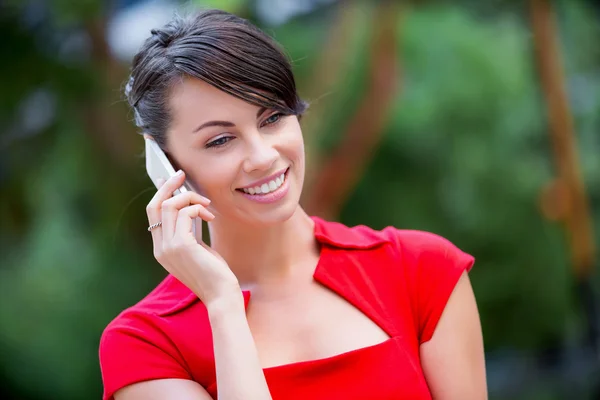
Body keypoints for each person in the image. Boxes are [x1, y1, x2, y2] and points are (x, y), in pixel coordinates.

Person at [99, 9, 487, 400]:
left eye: (272, 118)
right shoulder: (145, 343)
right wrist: (222, 303)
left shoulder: (422, 270)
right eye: (220, 140)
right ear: (165, 165)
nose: (263, 156)